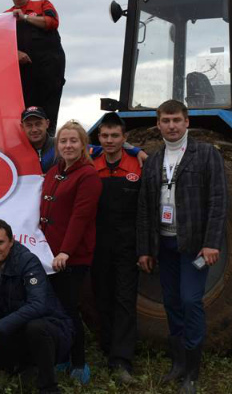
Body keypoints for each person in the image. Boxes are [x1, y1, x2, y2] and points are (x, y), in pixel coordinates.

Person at [137, 100, 227, 393]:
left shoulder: (204, 155)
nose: (171, 126)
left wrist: (212, 242)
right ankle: (177, 364)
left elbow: (217, 201)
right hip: (164, 243)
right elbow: (144, 208)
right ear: (158, 124)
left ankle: (192, 370)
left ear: (187, 122)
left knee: (190, 301)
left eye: (176, 119)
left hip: (192, 244)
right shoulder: (153, 160)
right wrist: (145, 249)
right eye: (166, 120)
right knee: (172, 304)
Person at [0, 219, 74, 394]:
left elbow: (38, 305)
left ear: (11, 241)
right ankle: (21, 367)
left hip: (53, 331)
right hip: (14, 330)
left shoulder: (27, 261)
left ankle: (49, 387)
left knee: (35, 327)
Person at [39, 120, 102, 384]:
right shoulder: (55, 172)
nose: (67, 145)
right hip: (49, 256)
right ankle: (62, 356)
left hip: (71, 258)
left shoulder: (88, 175)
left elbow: (81, 217)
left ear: (83, 144)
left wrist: (65, 251)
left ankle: (79, 362)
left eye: (73, 141)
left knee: (69, 309)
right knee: (54, 309)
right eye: (63, 141)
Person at [91, 112, 142, 384]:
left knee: (124, 299)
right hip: (98, 243)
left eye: (115, 136)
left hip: (127, 244)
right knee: (102, 296)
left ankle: (122, 360)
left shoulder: (138, 164)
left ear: (124, 138)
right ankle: (108, 347)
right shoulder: (91, 164)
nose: (109, 140)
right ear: (99, 138)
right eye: (105, 136)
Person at [5, 0, 66, 133]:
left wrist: (24, 17)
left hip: (50, 71)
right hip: (25, 74)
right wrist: (15, 52)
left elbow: (52, 22)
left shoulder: (43, 4)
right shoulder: (5, 16)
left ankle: (49, 146)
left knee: (49, 112)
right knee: (28, 112)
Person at [20, 105, 146, 174]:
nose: (34, 129)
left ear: (47, 123)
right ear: (22, 127)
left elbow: (107, 146)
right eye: (29, 125)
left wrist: (135, 150)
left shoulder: (62, 145)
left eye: (38, 124)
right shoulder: (16, 153)